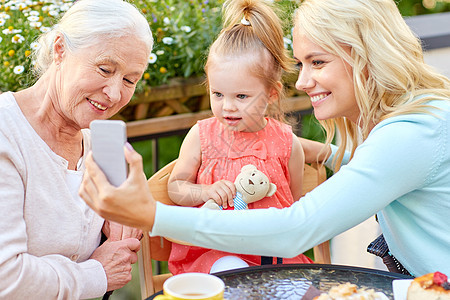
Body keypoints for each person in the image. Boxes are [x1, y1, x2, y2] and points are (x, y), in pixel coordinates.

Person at [80, 0, 450, 277]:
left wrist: (151, 214)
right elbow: (377, 170)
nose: (303, 83)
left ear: (368, 56)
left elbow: (296, 227)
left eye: (317, 62)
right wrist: (326, 152)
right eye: (302, 64)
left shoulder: (412, 133)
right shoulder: (419, 119)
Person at [0, 0, 153, 298]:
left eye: (129, 80)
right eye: (104, 68)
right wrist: (97, 274)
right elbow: (5, 276)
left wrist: (126, 215)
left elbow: (129, 225)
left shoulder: (99, 143)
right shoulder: (7, 133)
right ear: (60, 49)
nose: (114, 93)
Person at [166, 0, 311, 275]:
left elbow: (292, 203)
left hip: (273, 256)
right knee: (232, 270)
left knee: (306, 291)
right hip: (217, 253)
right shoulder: (202, 135)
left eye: (241, 96)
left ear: (271, 93)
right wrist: (205, 191)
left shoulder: (287, 143)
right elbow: (175, 187)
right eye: (218, 94)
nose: (228, 106)